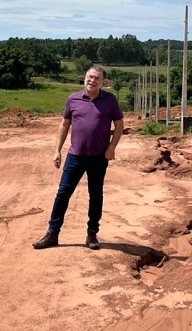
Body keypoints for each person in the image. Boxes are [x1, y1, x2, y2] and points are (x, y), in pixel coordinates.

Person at [33, 65, 124, 250]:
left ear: (103, 82)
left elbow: (119, 125)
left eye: (97, 78)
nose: (93, 80)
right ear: (85, 78)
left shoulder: (110, 100)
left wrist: (112, 148)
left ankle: (92, 233)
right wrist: (57, 150)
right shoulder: (73, 99)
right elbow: (64, 125)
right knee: (63, 193)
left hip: (99, 157)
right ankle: (52, 234)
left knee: (95, 195)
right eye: (90, 77)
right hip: (75, 156)